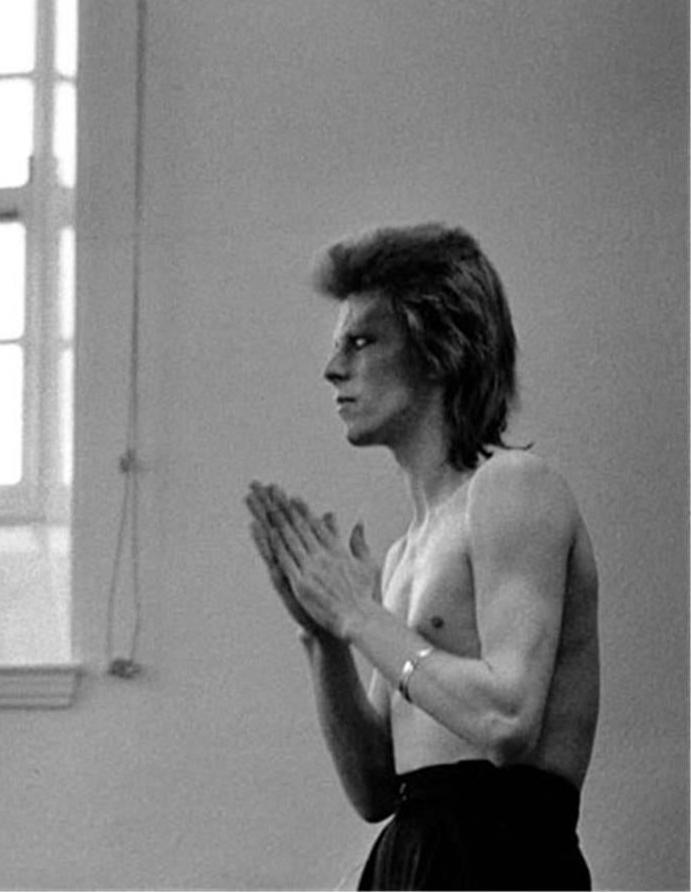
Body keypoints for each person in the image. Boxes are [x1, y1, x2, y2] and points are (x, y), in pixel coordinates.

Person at [243, 223, 600, 890]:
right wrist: (323, 637)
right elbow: (377, 788)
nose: (333, 369)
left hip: (502, 857)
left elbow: (507, 721)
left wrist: (357, 614)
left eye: (362, 340)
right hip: (412, 857)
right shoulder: (409, 547)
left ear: (438, 348)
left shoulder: (514, 487)